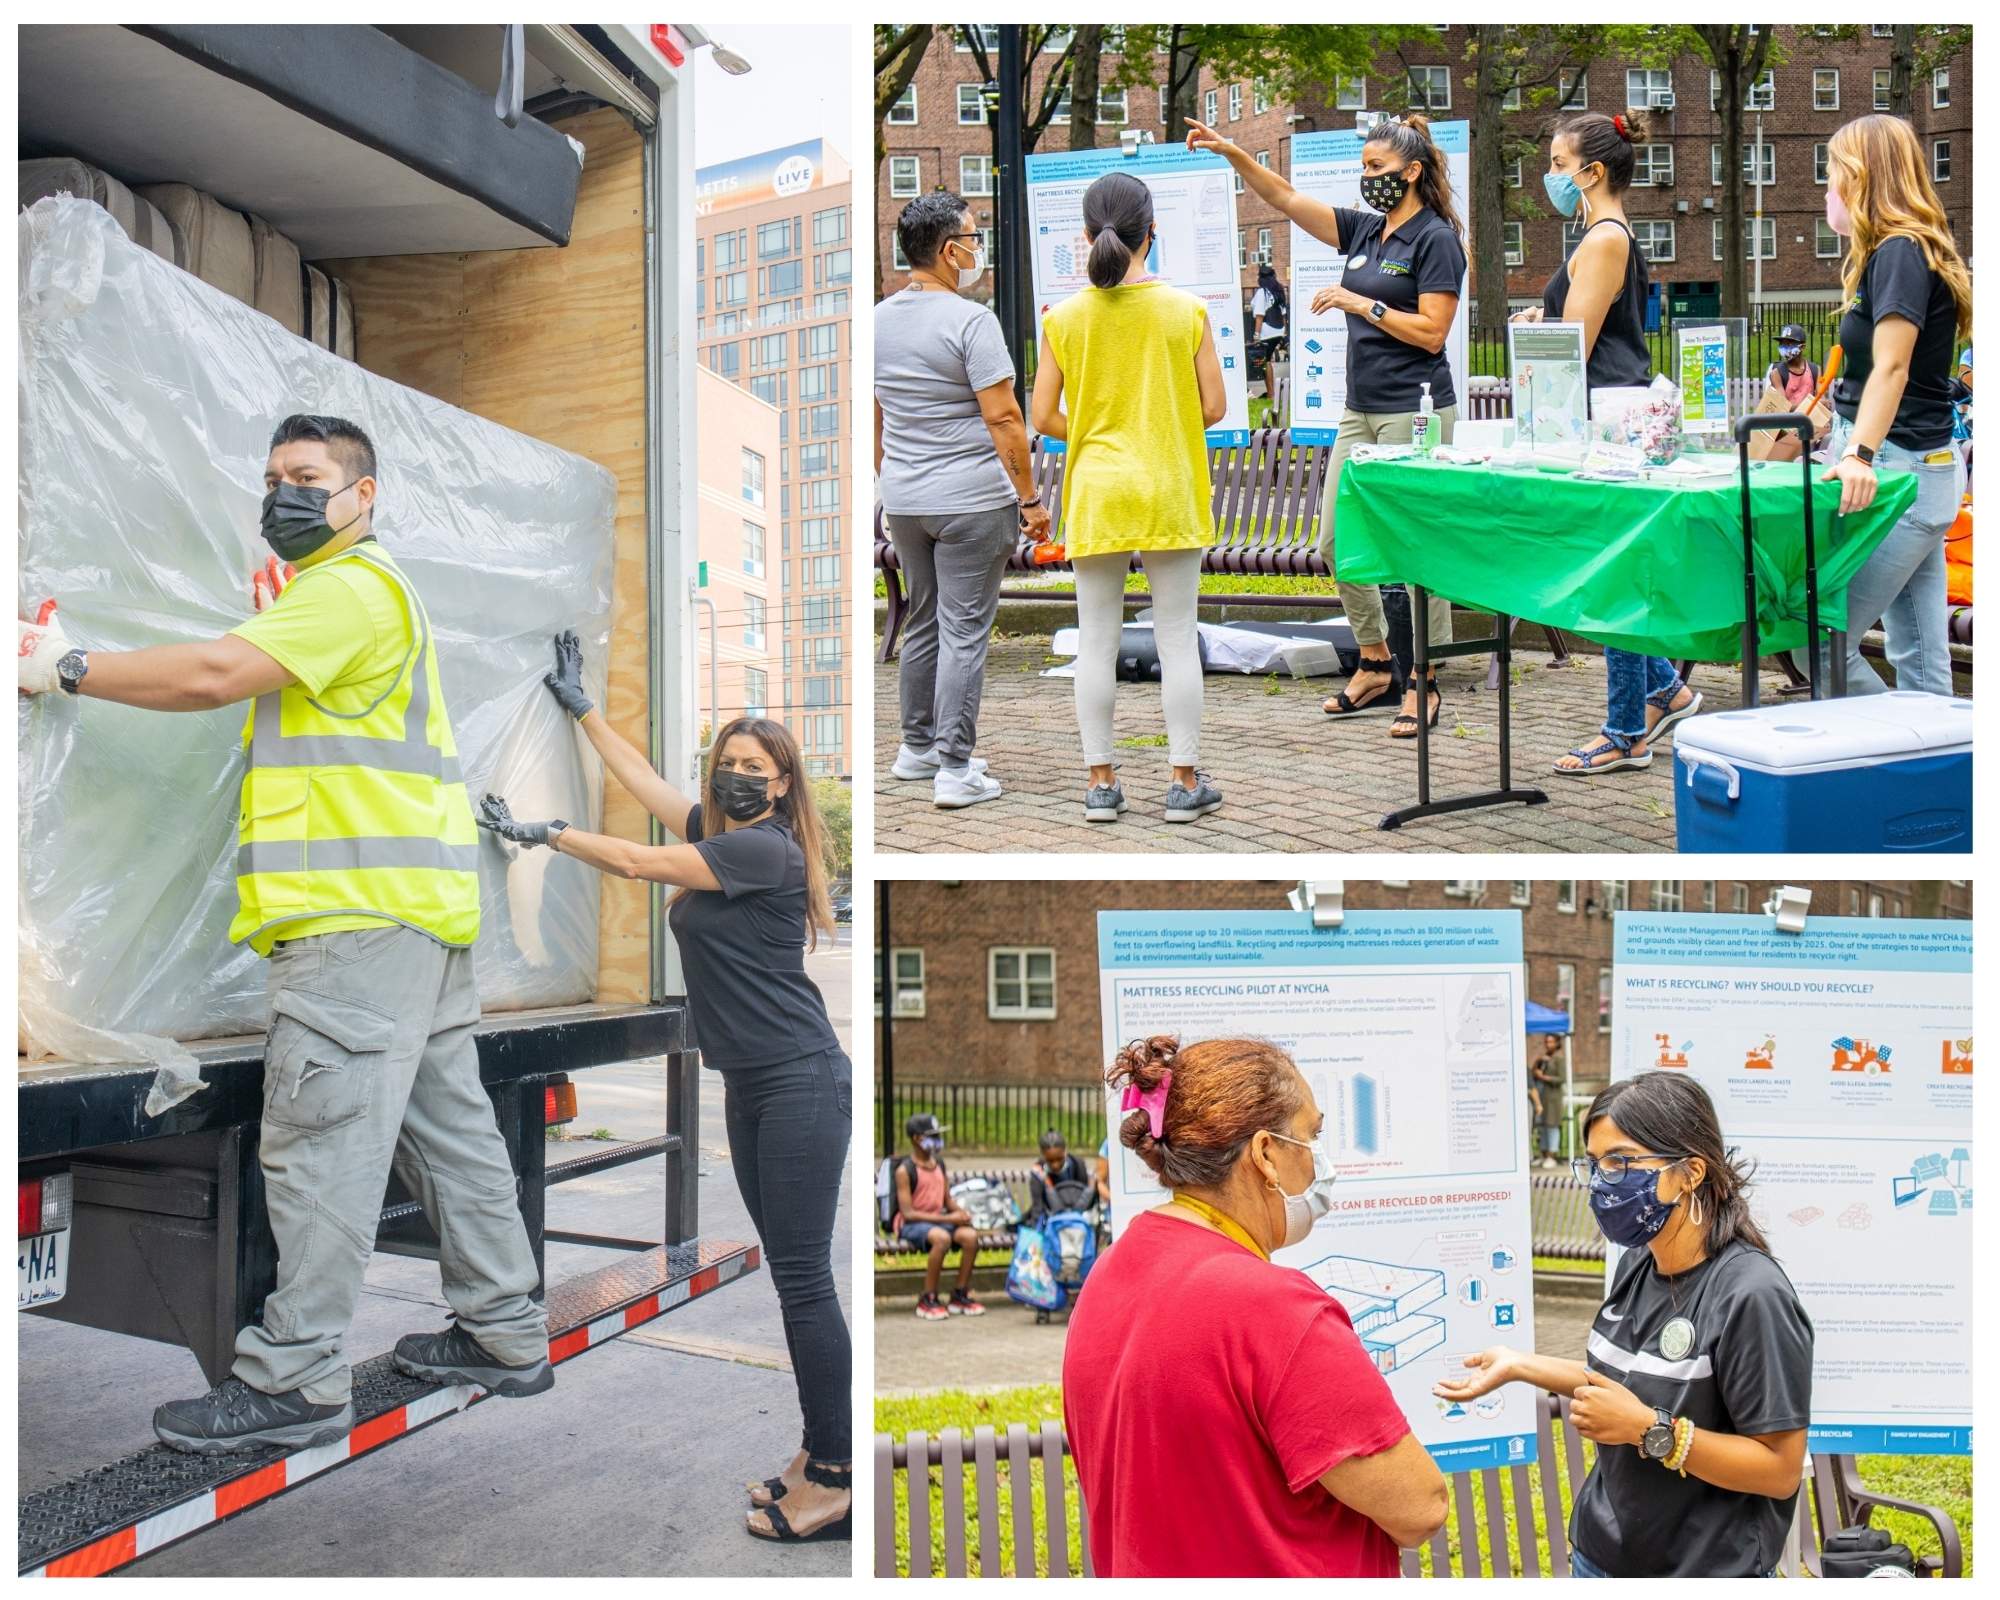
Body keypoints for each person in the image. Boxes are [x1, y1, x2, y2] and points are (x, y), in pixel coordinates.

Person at [17, 414, 551, 1453]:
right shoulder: (358, 597)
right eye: (271, 477)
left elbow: (213, 678)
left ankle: (297, 1382)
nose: (284, 494)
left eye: (307, 476)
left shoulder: (351, 591)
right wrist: (286, 619)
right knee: (450, 1138)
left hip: (355, 929)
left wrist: (62, 664)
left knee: (319, 1153)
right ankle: (503, 1327)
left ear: (364, 496)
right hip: (417, 922)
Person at [479, 658, 850, 1544]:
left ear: (784, 783)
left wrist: (551, 834)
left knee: (803, 1281)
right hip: (756, 1084)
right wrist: (585, 713)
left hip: (800, 1080)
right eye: (729, 762)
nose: (738, 777)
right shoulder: (719, 834)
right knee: (795, 1278)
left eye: (756, 769)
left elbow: (642, 860)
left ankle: (836, 1475)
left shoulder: (763, 850)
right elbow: (647, 789)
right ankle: (817, 1450)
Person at [1064, 1035, 1449, 1576]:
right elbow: (1420, 1507)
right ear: (1267, 1154)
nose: (1322, 1161)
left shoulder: (1110, 1271)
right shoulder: (1276, 1309)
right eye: (1312, 1137)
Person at [1434, 1071, 1813, 1578]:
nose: (1601, 1182)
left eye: (1620, 1162)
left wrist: (1648, 1431)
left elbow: (1779, 1470)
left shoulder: (1752, 1295)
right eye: (1593, 1165)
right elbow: (1625, 1381)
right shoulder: (1638, 1260)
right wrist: (1519, 1364)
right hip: (1601, 1556)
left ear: (1690, 1172)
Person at [1189, 112, 1466, 739]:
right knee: (1336, 543)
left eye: (1377, 168)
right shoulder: (1365, 231)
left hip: (1415, 411)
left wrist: (1359, 301)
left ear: (1412, 172)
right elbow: (1283, 198)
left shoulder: (1435, 238)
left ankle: (1423, 679)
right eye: (1363, 168)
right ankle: (1375, 661)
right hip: (1360, 409)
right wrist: (1233, 152)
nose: (1367, 178)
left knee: (1409, 551)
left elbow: (1432, 333)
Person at [1031, 169, 1228, 826]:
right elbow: (1215, 407)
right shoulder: (1186, 311)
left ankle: (1101, 785)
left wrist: (1093, 426)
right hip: (1168, 488)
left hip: (1099, 489)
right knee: (1176, 639)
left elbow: (1042, 416)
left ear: (1087, 236)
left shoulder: (1064, 319)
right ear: (1152, 234)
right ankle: (1183, 780)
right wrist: (1160, 424)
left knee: (1096, 641)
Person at [1510, 111, 1704, 777]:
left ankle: (1627, 732)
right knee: (1604, 570)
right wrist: (1548, 316)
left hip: (1607, 419)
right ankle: (1664, 691)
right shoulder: (1600, 235)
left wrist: (1547, 343)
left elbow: (1577, 349)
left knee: (1610, 576)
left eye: (1559, 166)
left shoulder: (1603, 240)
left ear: (1592, 173)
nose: (1551, 178)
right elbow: (1580, 326)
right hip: (1609, 411)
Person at [876, 192, 1052, 810]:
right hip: (971, 500)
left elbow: (878, 415)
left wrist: (893, 476)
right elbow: (1004, 417)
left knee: (922, 619)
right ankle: (955, 769)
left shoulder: (875, 321)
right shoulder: (972, 320)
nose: (979, 249)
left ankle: (916, 748)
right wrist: (1029, 501)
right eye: (974, 239)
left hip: (905, 499)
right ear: (951, 251)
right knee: (964, 631)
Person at [1795, 113, 1971, 698]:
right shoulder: (1902, 251)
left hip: (1899, 469)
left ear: (1863, 177)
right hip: (1921, 470)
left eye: (1832, 176)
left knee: (1814, 633)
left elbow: (1893, 364)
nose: (1827, 191)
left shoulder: (1899, 251)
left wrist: (1860, 455)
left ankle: (1894, 746)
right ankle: (1938, 772)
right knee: (1920, 653)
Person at [889, 1113, 985, 1319]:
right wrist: (950, 1219)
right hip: (912, 1224)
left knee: (970, 1237)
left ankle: (960, 1293)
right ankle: (928, 1297)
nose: (937, 1141)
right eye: (932, 1135)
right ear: (917, 1138)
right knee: (941, 1239)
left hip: (937, 1220)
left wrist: (959, 1212)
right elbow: (909, 1213)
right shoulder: (905, 1171)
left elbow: (946, 1199)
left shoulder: (938, 1164)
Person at [1025, 1128, 1095, 1225]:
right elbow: (1038, 1208)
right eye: (1050, 1161)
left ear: (1065, 1151)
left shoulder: (1077, 1165)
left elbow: (1085, 1203)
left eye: (1059, 1159)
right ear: (1042, 1155)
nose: (1055, 1165)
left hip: (1078, 1221)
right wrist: (1046, 1181)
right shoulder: (1038, 1173)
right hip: (1050, 1222)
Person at [1767, 322, 1822, 408]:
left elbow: (1821, 397)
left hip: (1810, 420)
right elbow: (1783, 407)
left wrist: (1824, 402)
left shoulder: (1815, 370)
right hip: (1787, 420)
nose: (1784, 347)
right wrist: (1813, 405)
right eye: (1782, 344)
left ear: (1802, 347)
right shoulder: (1777, 372)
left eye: (1789, 344)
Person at [1530, 1034, 1565, 1169]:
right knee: (1543, 1127)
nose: (1548, 1044)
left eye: (1551, 1042)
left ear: (1557, 1043)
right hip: (1543, 1098)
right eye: (1546, 1042)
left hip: (1553, 1099)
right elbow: (1533, 1073)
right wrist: (1538, 1060)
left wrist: (1544, 1077)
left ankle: (1551, 1156)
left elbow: (1561, 1079)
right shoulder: (1545, 1057)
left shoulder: (1559, 1058)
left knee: (1552, 1127)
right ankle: (1543, 1155)